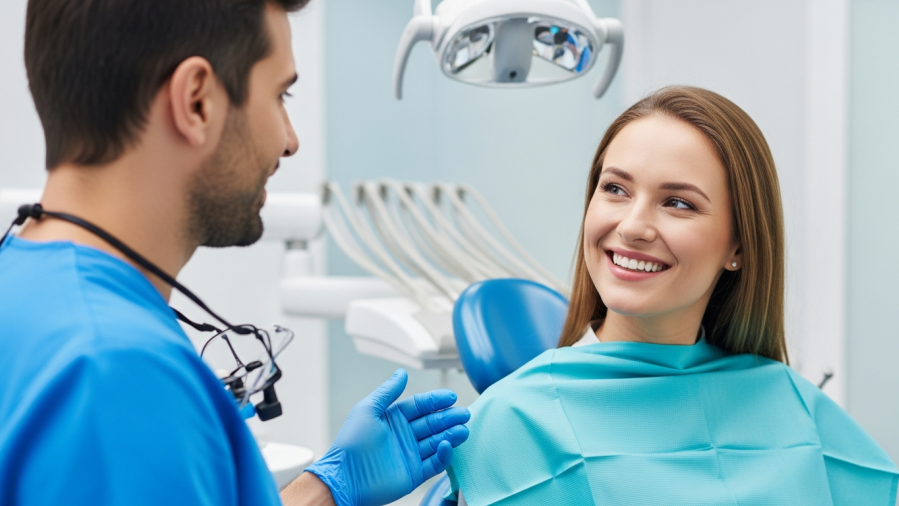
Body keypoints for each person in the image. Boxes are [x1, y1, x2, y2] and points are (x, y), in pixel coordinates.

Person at [0, 1, 470, 505]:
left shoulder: (24, 280)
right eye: (279, 94)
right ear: (197, 101)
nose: (290, 141)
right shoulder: (117, 378)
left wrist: (325, 490)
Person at [446, 87, 898, 505]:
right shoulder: (515, 420)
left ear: (738, 246)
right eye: (615, 189)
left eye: (678, 202)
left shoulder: (793, 407)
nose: (632, 227)